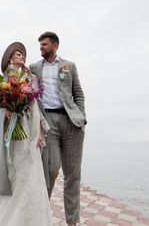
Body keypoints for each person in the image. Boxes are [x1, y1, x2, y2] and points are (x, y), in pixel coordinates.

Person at [30, 32, 87, 226]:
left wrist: (82, 117)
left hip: (72, 122)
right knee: (51, 169)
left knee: (73, 175)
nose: (41, 48)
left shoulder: (69, 66)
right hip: (49, 121)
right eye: (40, 45)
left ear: (55, 45)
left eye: (44, 44)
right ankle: (41, 216)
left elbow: (78, 93)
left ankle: (72, 222)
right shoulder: (34, 68)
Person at [0, 42, 53, 226]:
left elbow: (36, 108)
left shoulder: (31, 79)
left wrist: (39, 133)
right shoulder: (4, 82)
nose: (22, 57)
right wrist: (5, 114)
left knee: (32, 174)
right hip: (12, 135)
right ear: (9, 59)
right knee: (16, 175)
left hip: (30, 132)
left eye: (23, 54)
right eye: (18, 54)